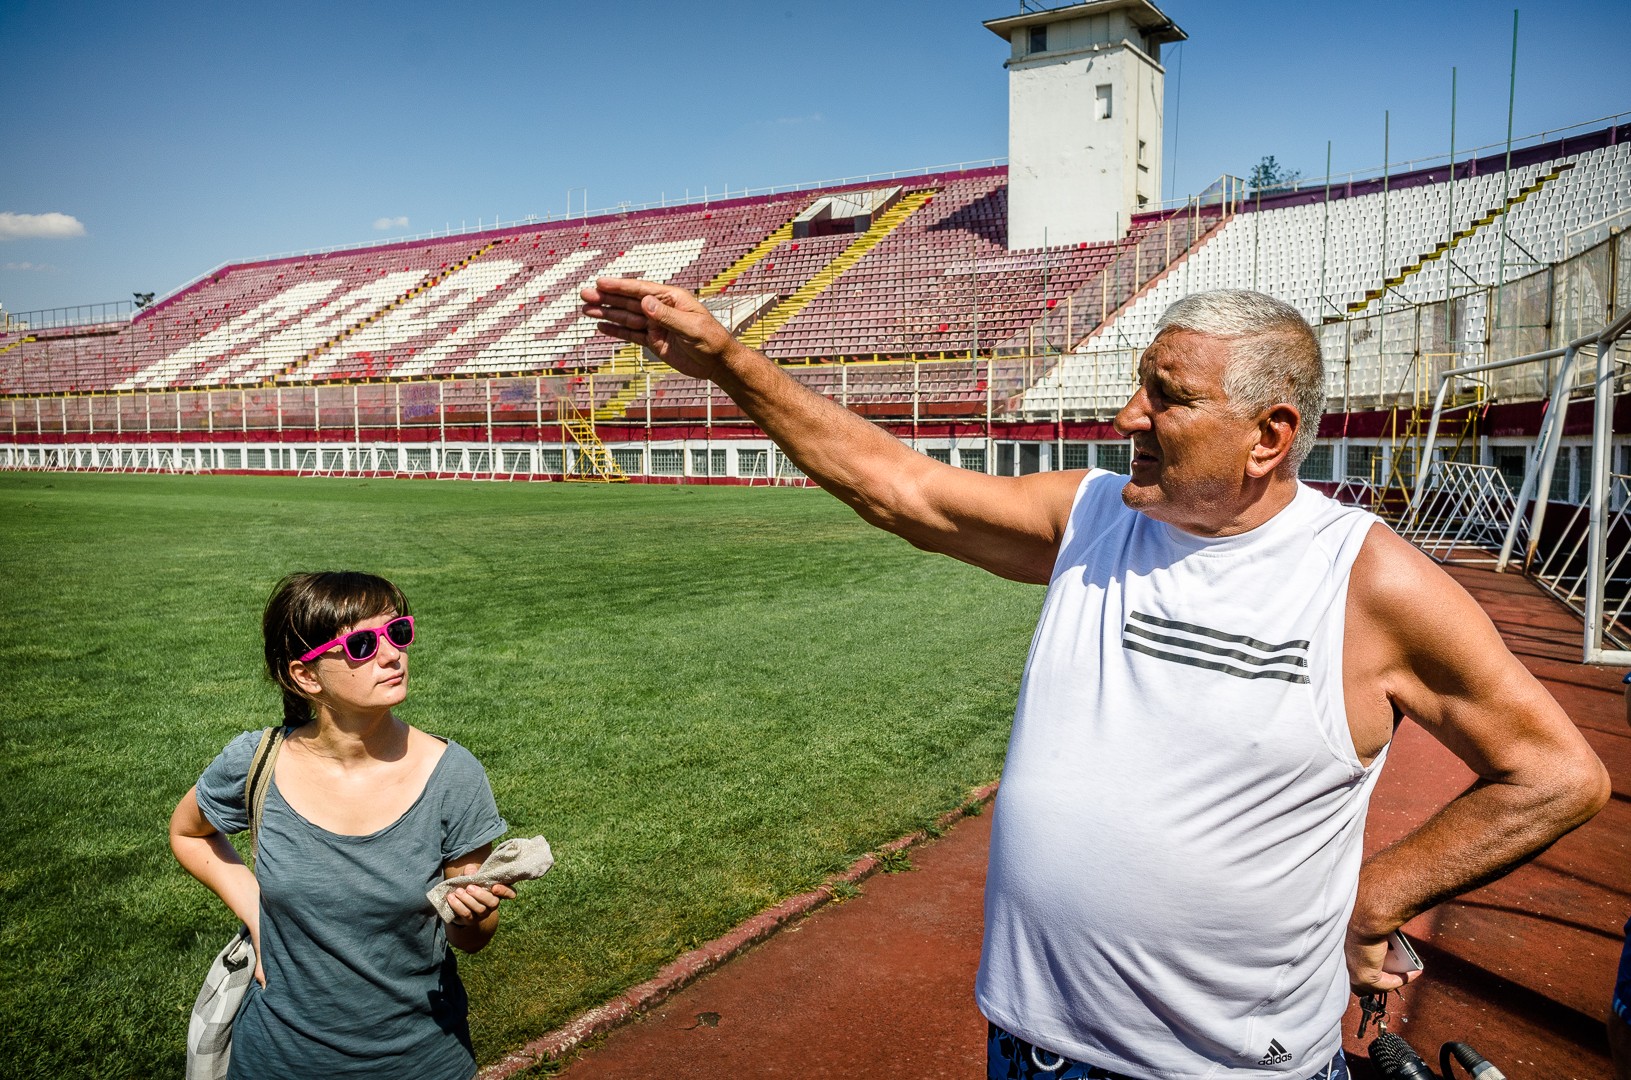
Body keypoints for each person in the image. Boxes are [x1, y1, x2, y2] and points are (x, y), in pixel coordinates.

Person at [581, 278, 1610, 1079]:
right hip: (1033, 1046)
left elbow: (1554, 774)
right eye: (1137, 384)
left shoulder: (1364, 576)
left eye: (1166, 398)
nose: (1126, 415)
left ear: (1268, 434)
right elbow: (902, 492)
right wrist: (726, 363)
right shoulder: (1094, 516)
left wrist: (1373, 895)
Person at [170, 571, 514, 1080]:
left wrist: (470, 915)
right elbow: (187, 831)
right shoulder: (256, 762)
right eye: (361, 644)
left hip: (421, 1061)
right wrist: (256, 914)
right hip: (275, 1061)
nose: (392, 654)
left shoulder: (453, 774)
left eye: (397, 632)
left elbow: (474, 938)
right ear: (307, 677)